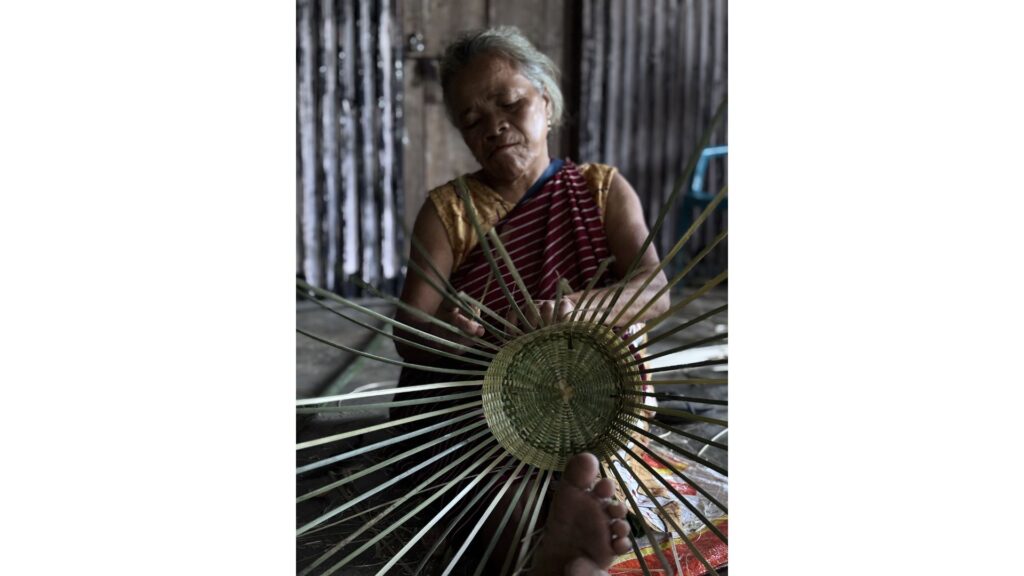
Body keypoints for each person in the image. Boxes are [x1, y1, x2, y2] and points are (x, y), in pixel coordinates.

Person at [390, 25, 670, 574]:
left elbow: (655, 291)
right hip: (482, 413)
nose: (493, 127)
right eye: (472, 122)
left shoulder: (601, 189)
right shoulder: (449, 211)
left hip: (593, 405)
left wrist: (578, 311)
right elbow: (409, 330)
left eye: (510, 104)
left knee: (604, 486)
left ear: (545, 100)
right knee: (502, 505)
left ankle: (566, 539)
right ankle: (547, 551)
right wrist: (453, 330)